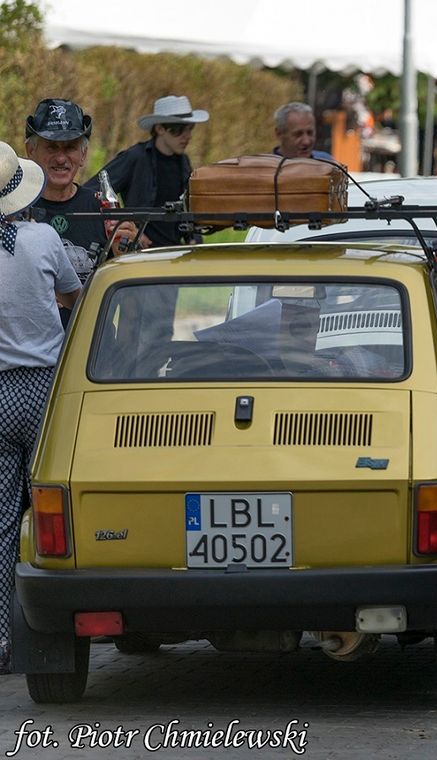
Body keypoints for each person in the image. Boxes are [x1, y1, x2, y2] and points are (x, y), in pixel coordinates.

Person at [0, 140, 82, 674]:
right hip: (45, 390)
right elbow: (76, 296)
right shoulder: (44, 237)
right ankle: (51, 631)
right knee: (53, 515)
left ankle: (2, 637)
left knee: (3, 520)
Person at [24, 99, 136, 326]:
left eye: (70, 147)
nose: (61, 157)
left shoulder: (102, 209)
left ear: (83, 155)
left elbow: (131, 299)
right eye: (51, 146)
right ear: (30, 151)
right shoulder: (13, 209)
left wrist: (128, 255)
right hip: (30, 353)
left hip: (89, 349)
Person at [86, 95, 209, 248]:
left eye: (190, 129)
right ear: (159, 128)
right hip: (139, 256)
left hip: (176, 253)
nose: (187, 136)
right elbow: (90, 193)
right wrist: (128, 228)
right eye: (178, 130)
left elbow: (189, 208)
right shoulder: (135, 157)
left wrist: (194, 239)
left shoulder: (184, 162)